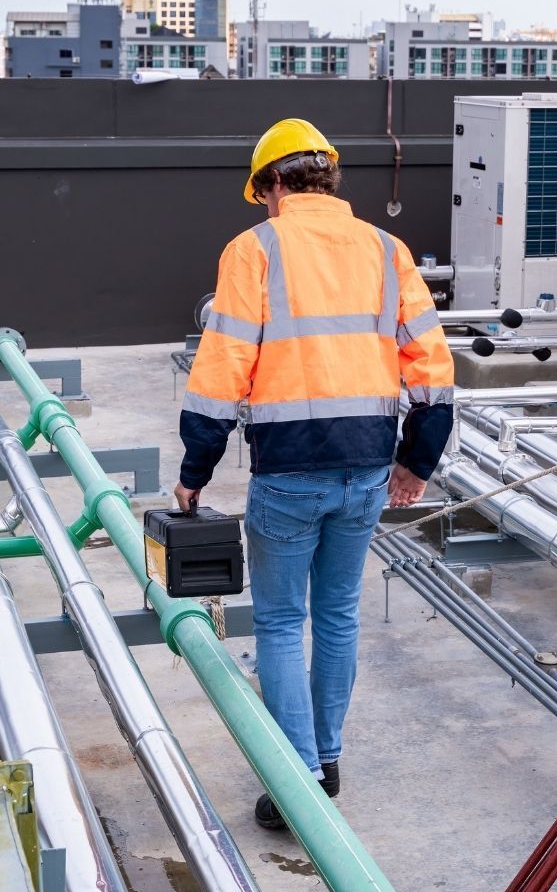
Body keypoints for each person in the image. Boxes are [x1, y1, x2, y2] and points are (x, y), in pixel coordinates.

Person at [175, 117, 455, 830]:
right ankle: (326, 759)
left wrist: (194, 468)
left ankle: (297, 778)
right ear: (327, 176)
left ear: (273, 183)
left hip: (291, 468)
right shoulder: (386, 249)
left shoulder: (255, 248)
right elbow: (432, 363)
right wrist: (416, 461)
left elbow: (221, 368)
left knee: (278, 619)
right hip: (367, 466)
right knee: (336, 615)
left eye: (262, 191)